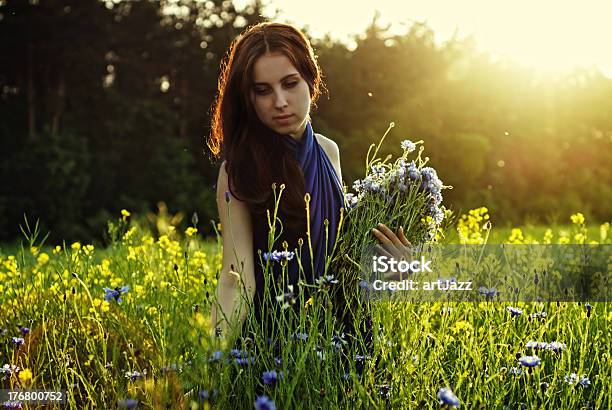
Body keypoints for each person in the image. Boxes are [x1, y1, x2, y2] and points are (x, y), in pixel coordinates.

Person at [207, 22, 410, 346]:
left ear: (311, 80)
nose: (280, 101)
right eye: (263, 90)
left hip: (345, 334)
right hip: (278, 340)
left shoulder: (329, 152)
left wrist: (392, 269)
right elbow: (237, 279)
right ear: (248, 98)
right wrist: (213, 357)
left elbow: (340, 261)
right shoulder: (237, 170)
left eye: (290, 83)